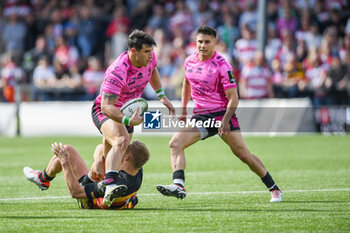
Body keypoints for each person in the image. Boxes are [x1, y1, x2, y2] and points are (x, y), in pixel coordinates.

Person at [156, 26, 283, 203]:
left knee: (244, 155)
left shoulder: (223, 66)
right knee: (175, 143)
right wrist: (184, 108)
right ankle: (178, 185)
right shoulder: (189, 62)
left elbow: (234, 98)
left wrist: (225, 121)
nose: (202, 45)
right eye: (200, 41)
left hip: (221, 114)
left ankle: (274, 188)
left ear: (214, 43)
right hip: (201, 116)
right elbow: (187, 82)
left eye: (207, 42)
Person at [91, 29, 175, 206]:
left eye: (151, 51)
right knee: (121, 141)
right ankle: (110, 185)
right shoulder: (118, 71)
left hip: (127, 112)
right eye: (146, 52)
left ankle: (93, 184)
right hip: (105, 110)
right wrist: (128, 121)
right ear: (133, 51)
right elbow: (106, 107)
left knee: (112, 156)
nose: (150, 56)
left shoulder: (149, 60)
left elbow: (152, 71)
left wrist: (161, 95)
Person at [23, 140, 150, 210]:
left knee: (66, 151)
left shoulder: (116, 185)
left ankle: (43, 178)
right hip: (117, 196)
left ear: (126, 156)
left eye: (124, 149)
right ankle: (43, 179)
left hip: (91, 201)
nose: (119, 150)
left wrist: (65, 162)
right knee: (99, 161)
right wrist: (99, 161)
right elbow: (100, 147)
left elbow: (76, 192)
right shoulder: (136, 168)